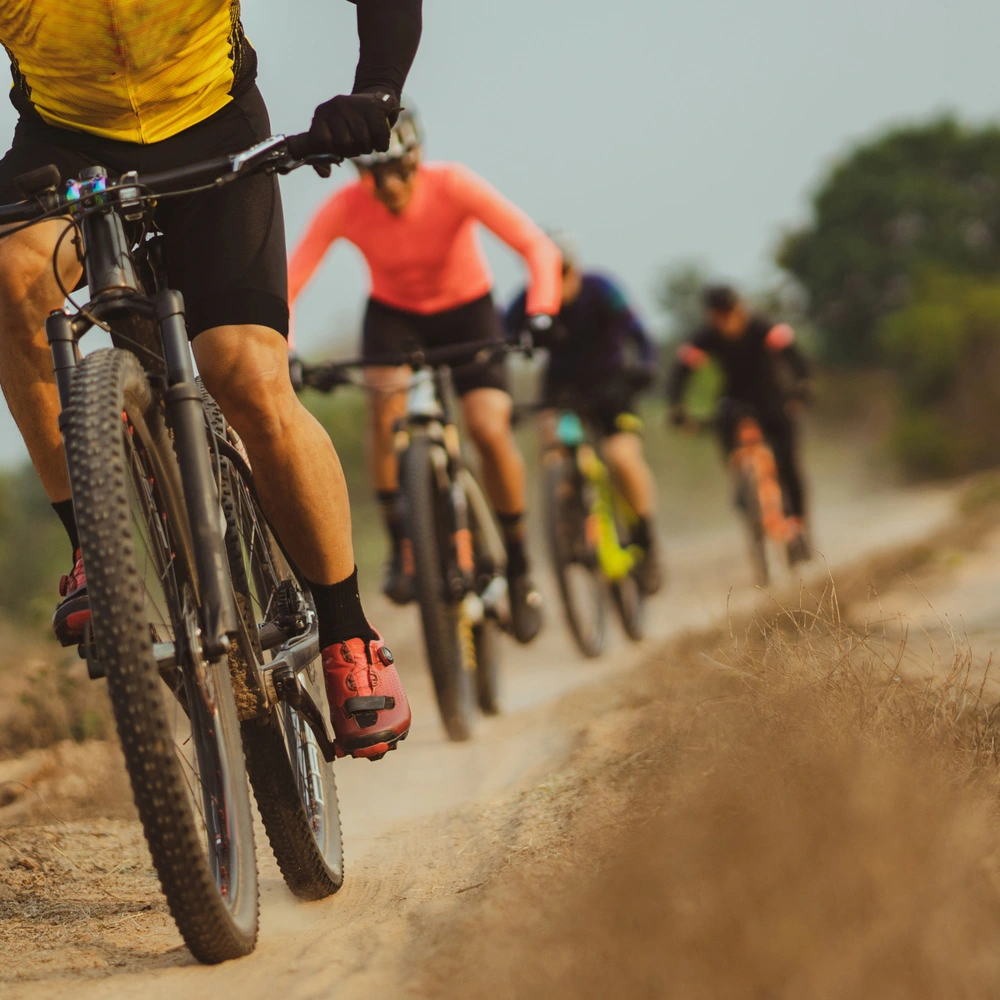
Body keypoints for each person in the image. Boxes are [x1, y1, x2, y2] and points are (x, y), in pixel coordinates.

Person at [0, 0, 422, 760]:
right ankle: (92, 549)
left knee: (246, 373)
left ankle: (347, 632)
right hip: (65, 145)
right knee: (10, 285)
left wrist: (377, 90)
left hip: (212, 124)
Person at [287, 104, 562, 644]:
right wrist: (289, 349)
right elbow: (290, 282)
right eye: (374, 174)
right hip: (395, 317)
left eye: (399, 170)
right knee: (385, 404)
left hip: (467, 311)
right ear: (359, 174)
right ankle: (400, 546)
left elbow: (536, 247)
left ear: (417, 158)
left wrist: (542, 310)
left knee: (486, 427)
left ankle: (521, 562)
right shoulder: (343, 208)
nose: (389, 186)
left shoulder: (454, 184)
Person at [505, 240, 663, 594]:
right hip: (562, 390)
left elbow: (638, 332)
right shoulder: (528, 301)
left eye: (561, 271)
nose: (555, 281)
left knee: (621, 458)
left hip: (611, 386)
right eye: (544, 274)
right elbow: (501, 341)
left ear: (574, 268)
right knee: (552, 447)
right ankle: (569, 517)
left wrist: (647, 365)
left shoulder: (600, 289)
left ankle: (645, 538)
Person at [666, 284, 812, 563]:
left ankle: (798, 528)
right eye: (718, 315)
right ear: (711, 316)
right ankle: (744, 486)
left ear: (740, 308)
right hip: (733, 400)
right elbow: (680, 371)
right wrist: (676, 407)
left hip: (772, 398)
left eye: (729, 312)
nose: (725, 319)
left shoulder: (762, 327)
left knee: (789, 463)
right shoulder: (705, 337)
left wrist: (802, 385)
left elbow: (793, 355)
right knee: (725, 433)